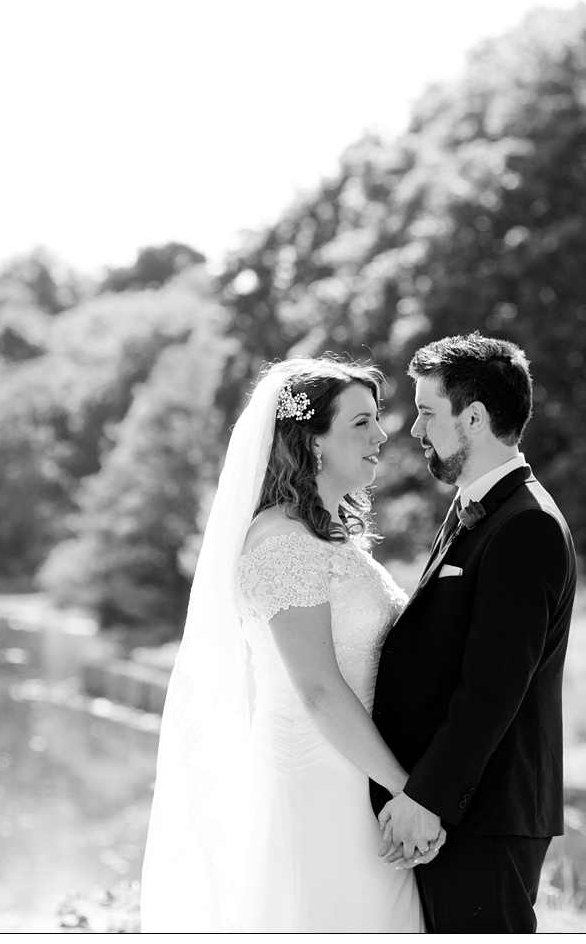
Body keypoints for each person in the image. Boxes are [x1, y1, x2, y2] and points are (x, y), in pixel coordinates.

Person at [140, 358, 431, 932]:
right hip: (322, 785)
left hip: (359, 774)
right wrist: (410, 791)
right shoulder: (281, 546)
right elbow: (319, 689)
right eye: (361, 423)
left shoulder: (324, 540)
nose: (381, 436)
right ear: (312, 442)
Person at [371, 335, 577, 933]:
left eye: (428, 412)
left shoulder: (526, 526)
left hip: (484, 814)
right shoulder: (480, 507)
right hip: (466, 811)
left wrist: (427, 799)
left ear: (475, 418)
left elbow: (491, 691)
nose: (414, 429)